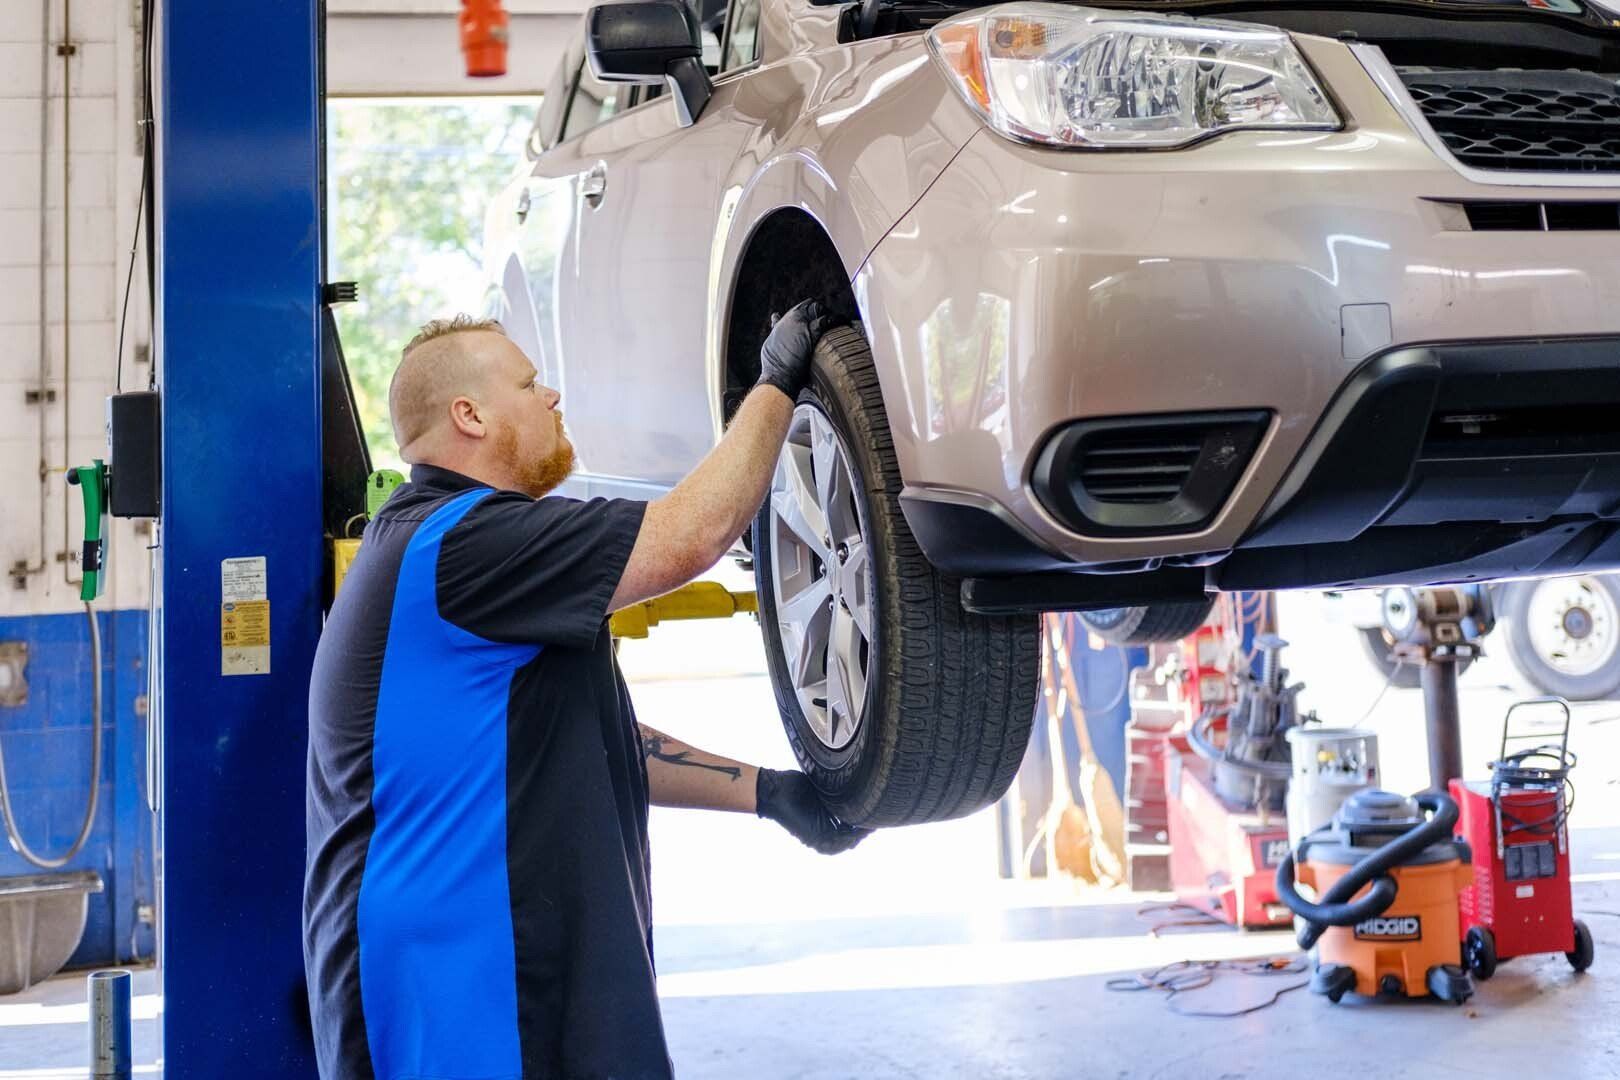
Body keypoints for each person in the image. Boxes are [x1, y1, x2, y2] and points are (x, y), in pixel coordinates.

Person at [303, 301, 867, 1080]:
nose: (552, 397)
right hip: (458, 979)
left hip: (519, 957)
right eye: (530, 384)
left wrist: (769, 795)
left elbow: (590, 744)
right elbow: (690, 536)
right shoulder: (458, 544)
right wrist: (773, 383)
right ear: (469, 414)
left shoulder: (464, 550)